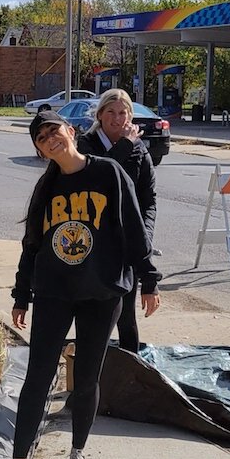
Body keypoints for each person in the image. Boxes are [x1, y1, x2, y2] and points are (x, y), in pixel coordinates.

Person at [0, 111, 161, 459]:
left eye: (55, 131)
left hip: (103, 294)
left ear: (71, 132)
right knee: (36, 377)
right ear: (39, 150)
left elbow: (134, 228)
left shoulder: (109, 174)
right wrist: (21, 294)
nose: (51, 139)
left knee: (86, 379)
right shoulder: (46, 188)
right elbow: (31, 244)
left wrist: (149, 279)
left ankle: (77, 454)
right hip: (54, 292)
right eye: (42, 138)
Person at [76, 88, 158, 351]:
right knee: (91, 314)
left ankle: (130, 374)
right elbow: (99, 176)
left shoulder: (139, 150)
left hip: (126, 241)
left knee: (126, 315)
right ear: (100, 115)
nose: (117, 118)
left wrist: (143, 235)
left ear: (130, 117)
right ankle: (87, 372)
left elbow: (148, 199)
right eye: (110, 112)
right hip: (93, 242)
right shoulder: (86, 145)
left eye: (123, 112)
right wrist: (125, 146)